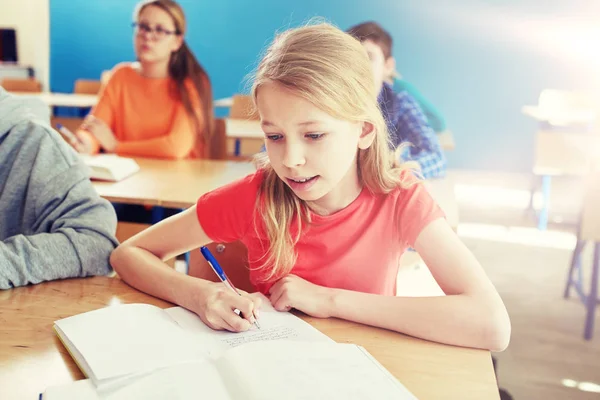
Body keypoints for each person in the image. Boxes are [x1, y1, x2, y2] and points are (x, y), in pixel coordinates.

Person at [110, 23, 510, 351]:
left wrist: (327, 300)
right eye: (275, 136)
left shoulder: (400, 198)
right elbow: (129, 254)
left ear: (364, 131)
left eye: (314, 135)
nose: (290, 160)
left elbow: (491, 324)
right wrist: (200, 295)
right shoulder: (255, 195)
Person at [0, 87, 118, 289]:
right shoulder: (121, 77)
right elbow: (92, 130)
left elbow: (96, 245)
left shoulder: (33, 143)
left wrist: (116, 146)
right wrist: (92, 141)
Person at [73, 0, 214, 160]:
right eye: (143, 27)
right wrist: (86, 142)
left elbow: (175, 148)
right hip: (130, 176)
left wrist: (116, 146)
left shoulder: (193, 82)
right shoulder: (120, 76)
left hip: (178, 178)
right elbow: (96, 129)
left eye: (160, 30)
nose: (147, 36)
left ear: (177, 41)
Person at [347, 21, 446, 179]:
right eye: (353, 58)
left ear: (388, 66)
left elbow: (435, 157)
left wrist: (395, 173)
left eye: (369, 57)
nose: (360, 66)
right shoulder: (332, 102)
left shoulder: (401, 103)